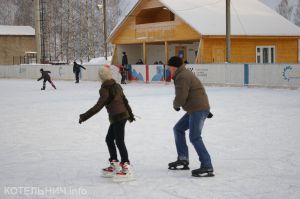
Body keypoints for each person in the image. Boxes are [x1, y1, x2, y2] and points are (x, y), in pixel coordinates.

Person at [79, 67, 136, 181]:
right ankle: (114, 163)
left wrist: (84, 116)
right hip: (120, 116)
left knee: (119, 141)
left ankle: (126, 166)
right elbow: (125, 101)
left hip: (118, 117)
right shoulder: (117, 85)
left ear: (101, 77)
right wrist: (130, 115)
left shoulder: (105, 89)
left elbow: (98, 106)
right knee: (109, 139)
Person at [167, 56, 214, 177]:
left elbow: (181, 96)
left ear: (173, 67)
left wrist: (176, 105)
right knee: (178, 129)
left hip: (197, 109)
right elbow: (198, 90)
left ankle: (207, 165)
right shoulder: (183, 73)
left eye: (169, 67)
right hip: (196, 108)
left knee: (195, 137)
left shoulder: (182, 76)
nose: (168, 69)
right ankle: (183, 159)